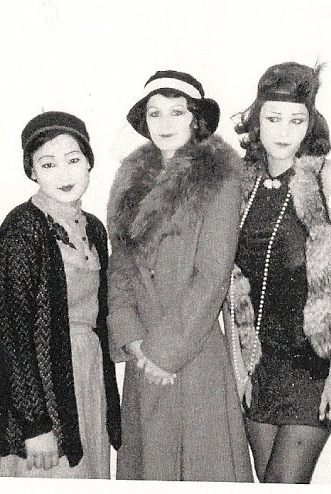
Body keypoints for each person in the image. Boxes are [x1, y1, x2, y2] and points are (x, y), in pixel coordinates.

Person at [106, 70, 253, 482]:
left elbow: (212, 275)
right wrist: (132, 338)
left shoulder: (219, 177)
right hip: (142, 355)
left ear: (195, 119)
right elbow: (120, 265)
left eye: (177, 111)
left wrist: (163, 353)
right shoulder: (129, 178)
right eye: (155, 113)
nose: (165, 122)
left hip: (191, 350)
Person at [227, 61, 331, 483]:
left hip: (313, 363)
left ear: (310, 122)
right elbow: (229, 283)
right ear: (256, 120)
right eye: (273, 118)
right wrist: (238, 368)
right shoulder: (239, 182)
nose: (284, 131)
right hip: (259, 363)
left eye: (296, 120)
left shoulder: (328, 177)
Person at [0, 111, 121, 478]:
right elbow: (12, 336)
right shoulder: (22, 228)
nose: (64, 174)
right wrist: (35, 425)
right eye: (48, 164)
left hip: (87, 378)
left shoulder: (94, 229)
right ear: (32, 172)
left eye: (73, 160)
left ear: (89, 164)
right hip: (44, 390)